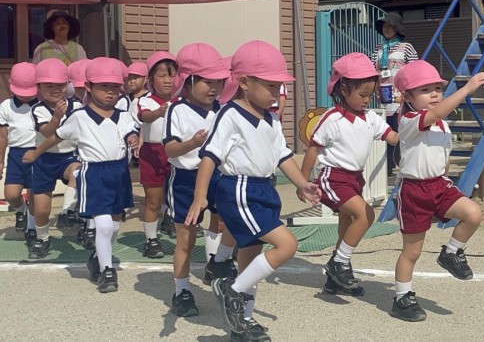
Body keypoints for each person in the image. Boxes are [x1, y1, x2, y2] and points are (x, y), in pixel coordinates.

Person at [188, 40, 320, 341]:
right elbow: (209, 156)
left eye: (279, 86)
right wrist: (200, 196)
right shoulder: (230, 115)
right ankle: (230, 290)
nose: (276, 92)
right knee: (286, 245)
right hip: (239, 189)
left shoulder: (271, 119)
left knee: (251, 256)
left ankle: (243, 322)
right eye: (271, 86)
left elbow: (283, 156)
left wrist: (302, 183)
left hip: (264, 189)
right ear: (245, 83)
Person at [24, 58, 138, 293]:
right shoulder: (79, 117)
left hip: (119, 173)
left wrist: (133, 139)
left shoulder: (124, 115)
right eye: (104, 86)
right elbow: (56, 137)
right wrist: (36, 152)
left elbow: (130, 132)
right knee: (103, 225)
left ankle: (97, 257)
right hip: (94, 173)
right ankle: (107, 271)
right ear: (88, 86)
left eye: (115, 87)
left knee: (115, 224)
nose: (110, 92)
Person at [389, 60, 484, 322]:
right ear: (407, 97)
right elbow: (434, 115)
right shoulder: (409, 120)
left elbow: (443, 154)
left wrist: (445, 170)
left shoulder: (442, 123)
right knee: (412, 251)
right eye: (425, 90)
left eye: (437, 88)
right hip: (414, 191)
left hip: (438, 184)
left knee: (473, 213)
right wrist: (466, 89)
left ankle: (451, 252)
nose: (434, 94)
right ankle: (402, 297)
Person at [299, 52, 399, 296]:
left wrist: (416, 133)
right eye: (362, 94)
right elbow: (313, 148)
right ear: (343, 89)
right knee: (365, 214)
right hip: (333, 177)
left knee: (347, 225)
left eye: (370, 94)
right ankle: (339, 263)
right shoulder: (332, 118)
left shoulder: (371, 118)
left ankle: (335, 279)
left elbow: (394, 138)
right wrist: (302, 182)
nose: (367, 99)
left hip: (355, 179)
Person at [162, 43, 233, 317]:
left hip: (218, 174)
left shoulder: (224, 109)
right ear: (188, 80)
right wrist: (192, 143)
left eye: (219, 81)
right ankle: (181, 291)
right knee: (186, 238)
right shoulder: (176, 110)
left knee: (231, 220)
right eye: (207, 81)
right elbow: (170, 150)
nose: (214, 88)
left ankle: (218, 263)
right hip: (185, 179)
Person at [28, 59, 82, 258]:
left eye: (60, 85)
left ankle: (67, 212)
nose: (55, 89)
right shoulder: (38, 109)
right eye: (48, 86)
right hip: (44, 159)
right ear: (39, 88)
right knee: (42, 209)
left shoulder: (77, 105)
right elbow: (47, 131)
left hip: (69, 156)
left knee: (78, 171)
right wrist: (57, 118)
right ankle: (42, 238)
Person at [136, 51, 178, 259]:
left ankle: (170, 220)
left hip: (177, 152)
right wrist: (159, 112)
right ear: (151, 79)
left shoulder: (182, 101)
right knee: (153, 200)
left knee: (178, 195)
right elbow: (145, 117)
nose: (167, 80)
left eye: (172, 75)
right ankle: (151, 240)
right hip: (152, 153)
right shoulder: (146, 101)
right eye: (162, 76)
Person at [371, 12, 418, 176]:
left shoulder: (407, 47)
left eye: (390, 26)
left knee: (401, 130)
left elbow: (414, 71)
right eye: (384, 26)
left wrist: (408, 92)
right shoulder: (378, 48)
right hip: (383, 97)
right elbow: (372, 70)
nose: (387, 29)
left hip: (401, 98)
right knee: (385, 131)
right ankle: (388, 167)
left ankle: (405, 163)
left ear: (397, 28)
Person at [0, 63, 38, 243]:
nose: (26, 95)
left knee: (34, 193)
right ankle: (21, 210)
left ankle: (32, 227)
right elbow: (2, 136)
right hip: (15, 154)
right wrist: (0, 161)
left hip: (37, 153)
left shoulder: (42, 105)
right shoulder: (6, 106)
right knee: (11, 195)